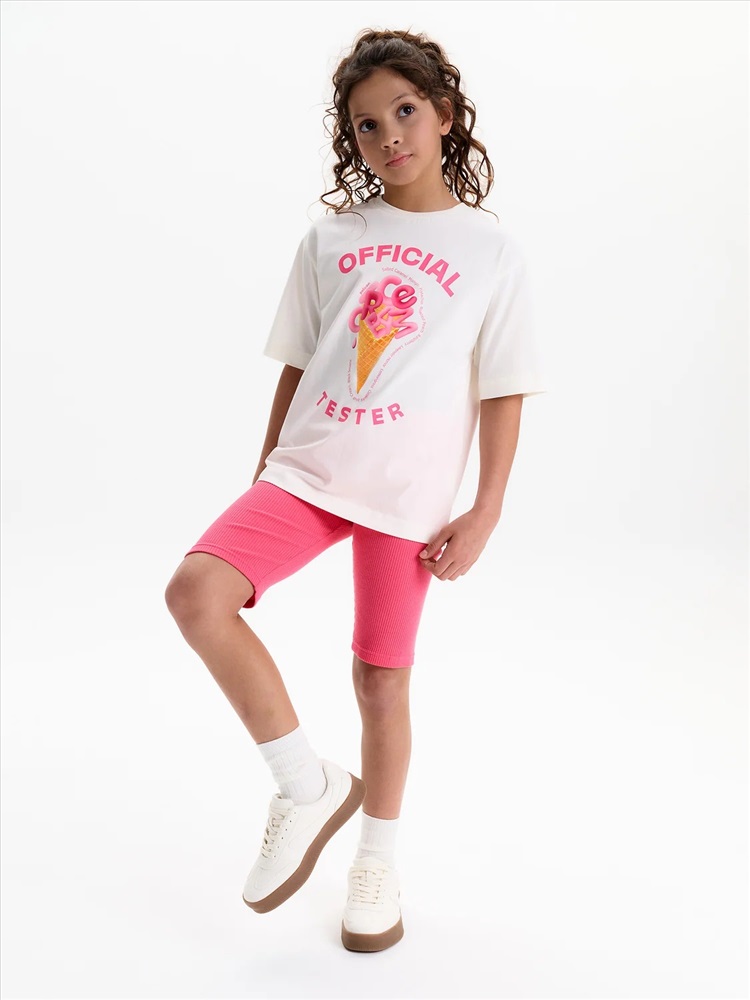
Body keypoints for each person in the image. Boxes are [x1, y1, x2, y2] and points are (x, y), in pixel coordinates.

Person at [165, 26, 547, 953]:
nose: (389, 136)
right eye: (367, 125)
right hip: (308, 470)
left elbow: (503, 389)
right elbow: (299, 363)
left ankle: (376, 860)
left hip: (409, 494)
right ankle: (307, 785)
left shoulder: (491, 251)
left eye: (405, 112)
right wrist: (266, 464)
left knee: (380, 678)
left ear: (444, 114)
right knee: (197, 593)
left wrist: (486, 509)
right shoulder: (331, 237)